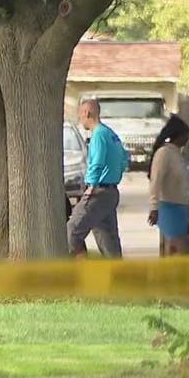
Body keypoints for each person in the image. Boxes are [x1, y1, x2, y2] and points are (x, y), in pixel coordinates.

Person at [67, 99, 128, 258]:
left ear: (87, 113)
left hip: (98, 192)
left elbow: (97, 162)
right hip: (111, 192)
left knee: (72, 230)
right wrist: (115, 176)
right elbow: (124, 159)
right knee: (109, 240)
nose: (80, 119)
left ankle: (81, 270)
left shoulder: (98, 134)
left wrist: (91, 187)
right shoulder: (111, 134)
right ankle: (119, 277)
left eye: (80, 115)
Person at [147, 115, 189, 255]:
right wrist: (154, 207)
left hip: (181, 208)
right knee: (176, 248)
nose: (188, 138)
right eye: (186, 134)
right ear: (179, 135)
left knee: (179, 249)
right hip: (168, 207)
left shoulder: (177, 154)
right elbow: (156, 181)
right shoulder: (164, 153)